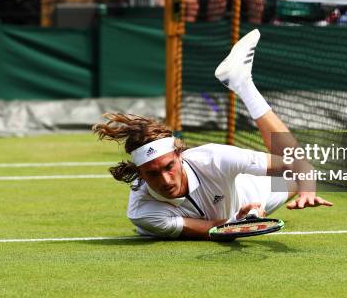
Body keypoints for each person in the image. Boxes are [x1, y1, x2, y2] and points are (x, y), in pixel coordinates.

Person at [93, 29, 332, 239]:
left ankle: (244, 84)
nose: (165, 180)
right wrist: (248, 219)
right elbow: (215, 230)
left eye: (168, 167)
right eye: (153, 173)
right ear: (140, 175)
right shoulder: (143, 211)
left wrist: (307, 190)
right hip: (239, 211)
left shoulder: (214, 158)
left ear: (179, 155)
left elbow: (300, 166)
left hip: (260, 190)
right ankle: (242, 82)